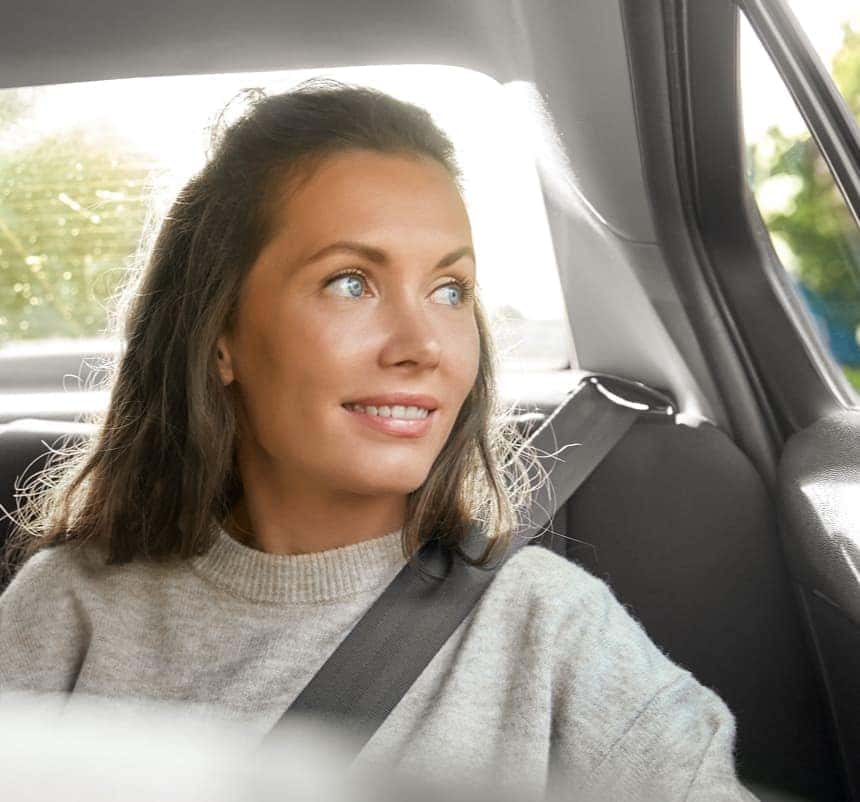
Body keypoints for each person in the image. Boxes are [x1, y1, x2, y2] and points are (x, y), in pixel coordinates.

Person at [0, 78, 758, 801]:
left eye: (449, 291)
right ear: (221, 333)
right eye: (351, 283)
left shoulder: (551, 631)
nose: (422, 344)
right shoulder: (67, 611)